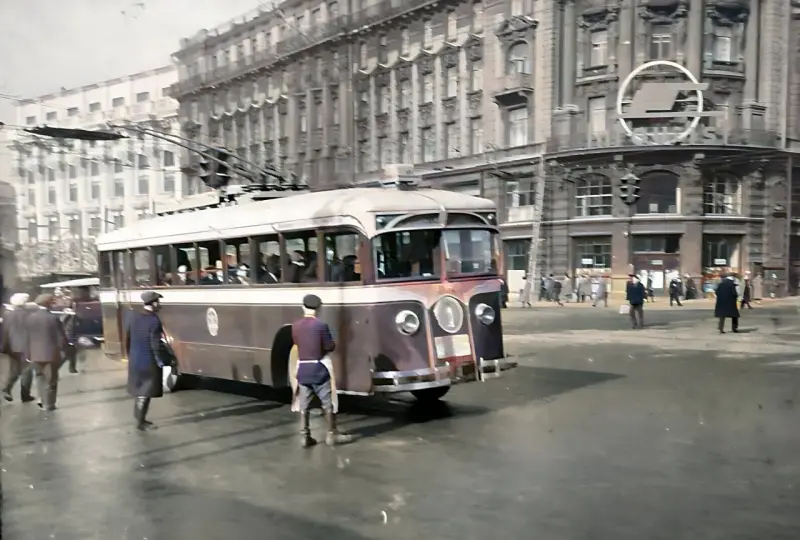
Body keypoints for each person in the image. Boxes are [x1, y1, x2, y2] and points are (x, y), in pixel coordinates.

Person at [292, 294, 351, 448]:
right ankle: (331, 434)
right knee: (327, 403)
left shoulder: (295, 325)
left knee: (304, 404)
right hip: (319, 369)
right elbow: (329, 346)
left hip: (303, 369)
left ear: (303, 307)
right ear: (318, 309)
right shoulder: (321, 325)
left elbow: (296, 343)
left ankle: (305, 436)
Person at [125, 291, 172, 430]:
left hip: (135, 360)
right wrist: (162, 361)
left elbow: (127, 338)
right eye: (158, 302)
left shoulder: (133, 317)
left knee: (140, 391)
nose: (160, 305)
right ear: (154, 303)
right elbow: (155, 345)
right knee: (145, 392)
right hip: (148, 362)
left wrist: (130, 355)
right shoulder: (153, 320)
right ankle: (141, 423)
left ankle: (139, 420)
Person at [25, 294, 67, 411]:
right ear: (48, 303)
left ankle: (42, 399)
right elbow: (60, 337)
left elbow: (26, 337)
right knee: (51, 379)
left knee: (39, 377)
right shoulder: (53, 318)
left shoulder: (30, 318)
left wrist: (28, 353)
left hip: (35, 354)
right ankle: (49, 404)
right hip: (50, 354)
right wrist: (63, 349)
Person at [1, 293, 35, 403]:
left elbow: (4, 332)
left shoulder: (7, 315)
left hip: (12, 347)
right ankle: (25, 395)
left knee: (14, 370)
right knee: (27, 371)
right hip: (26, 347)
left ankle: (7, 389)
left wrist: (4, 347)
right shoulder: (30, 315)